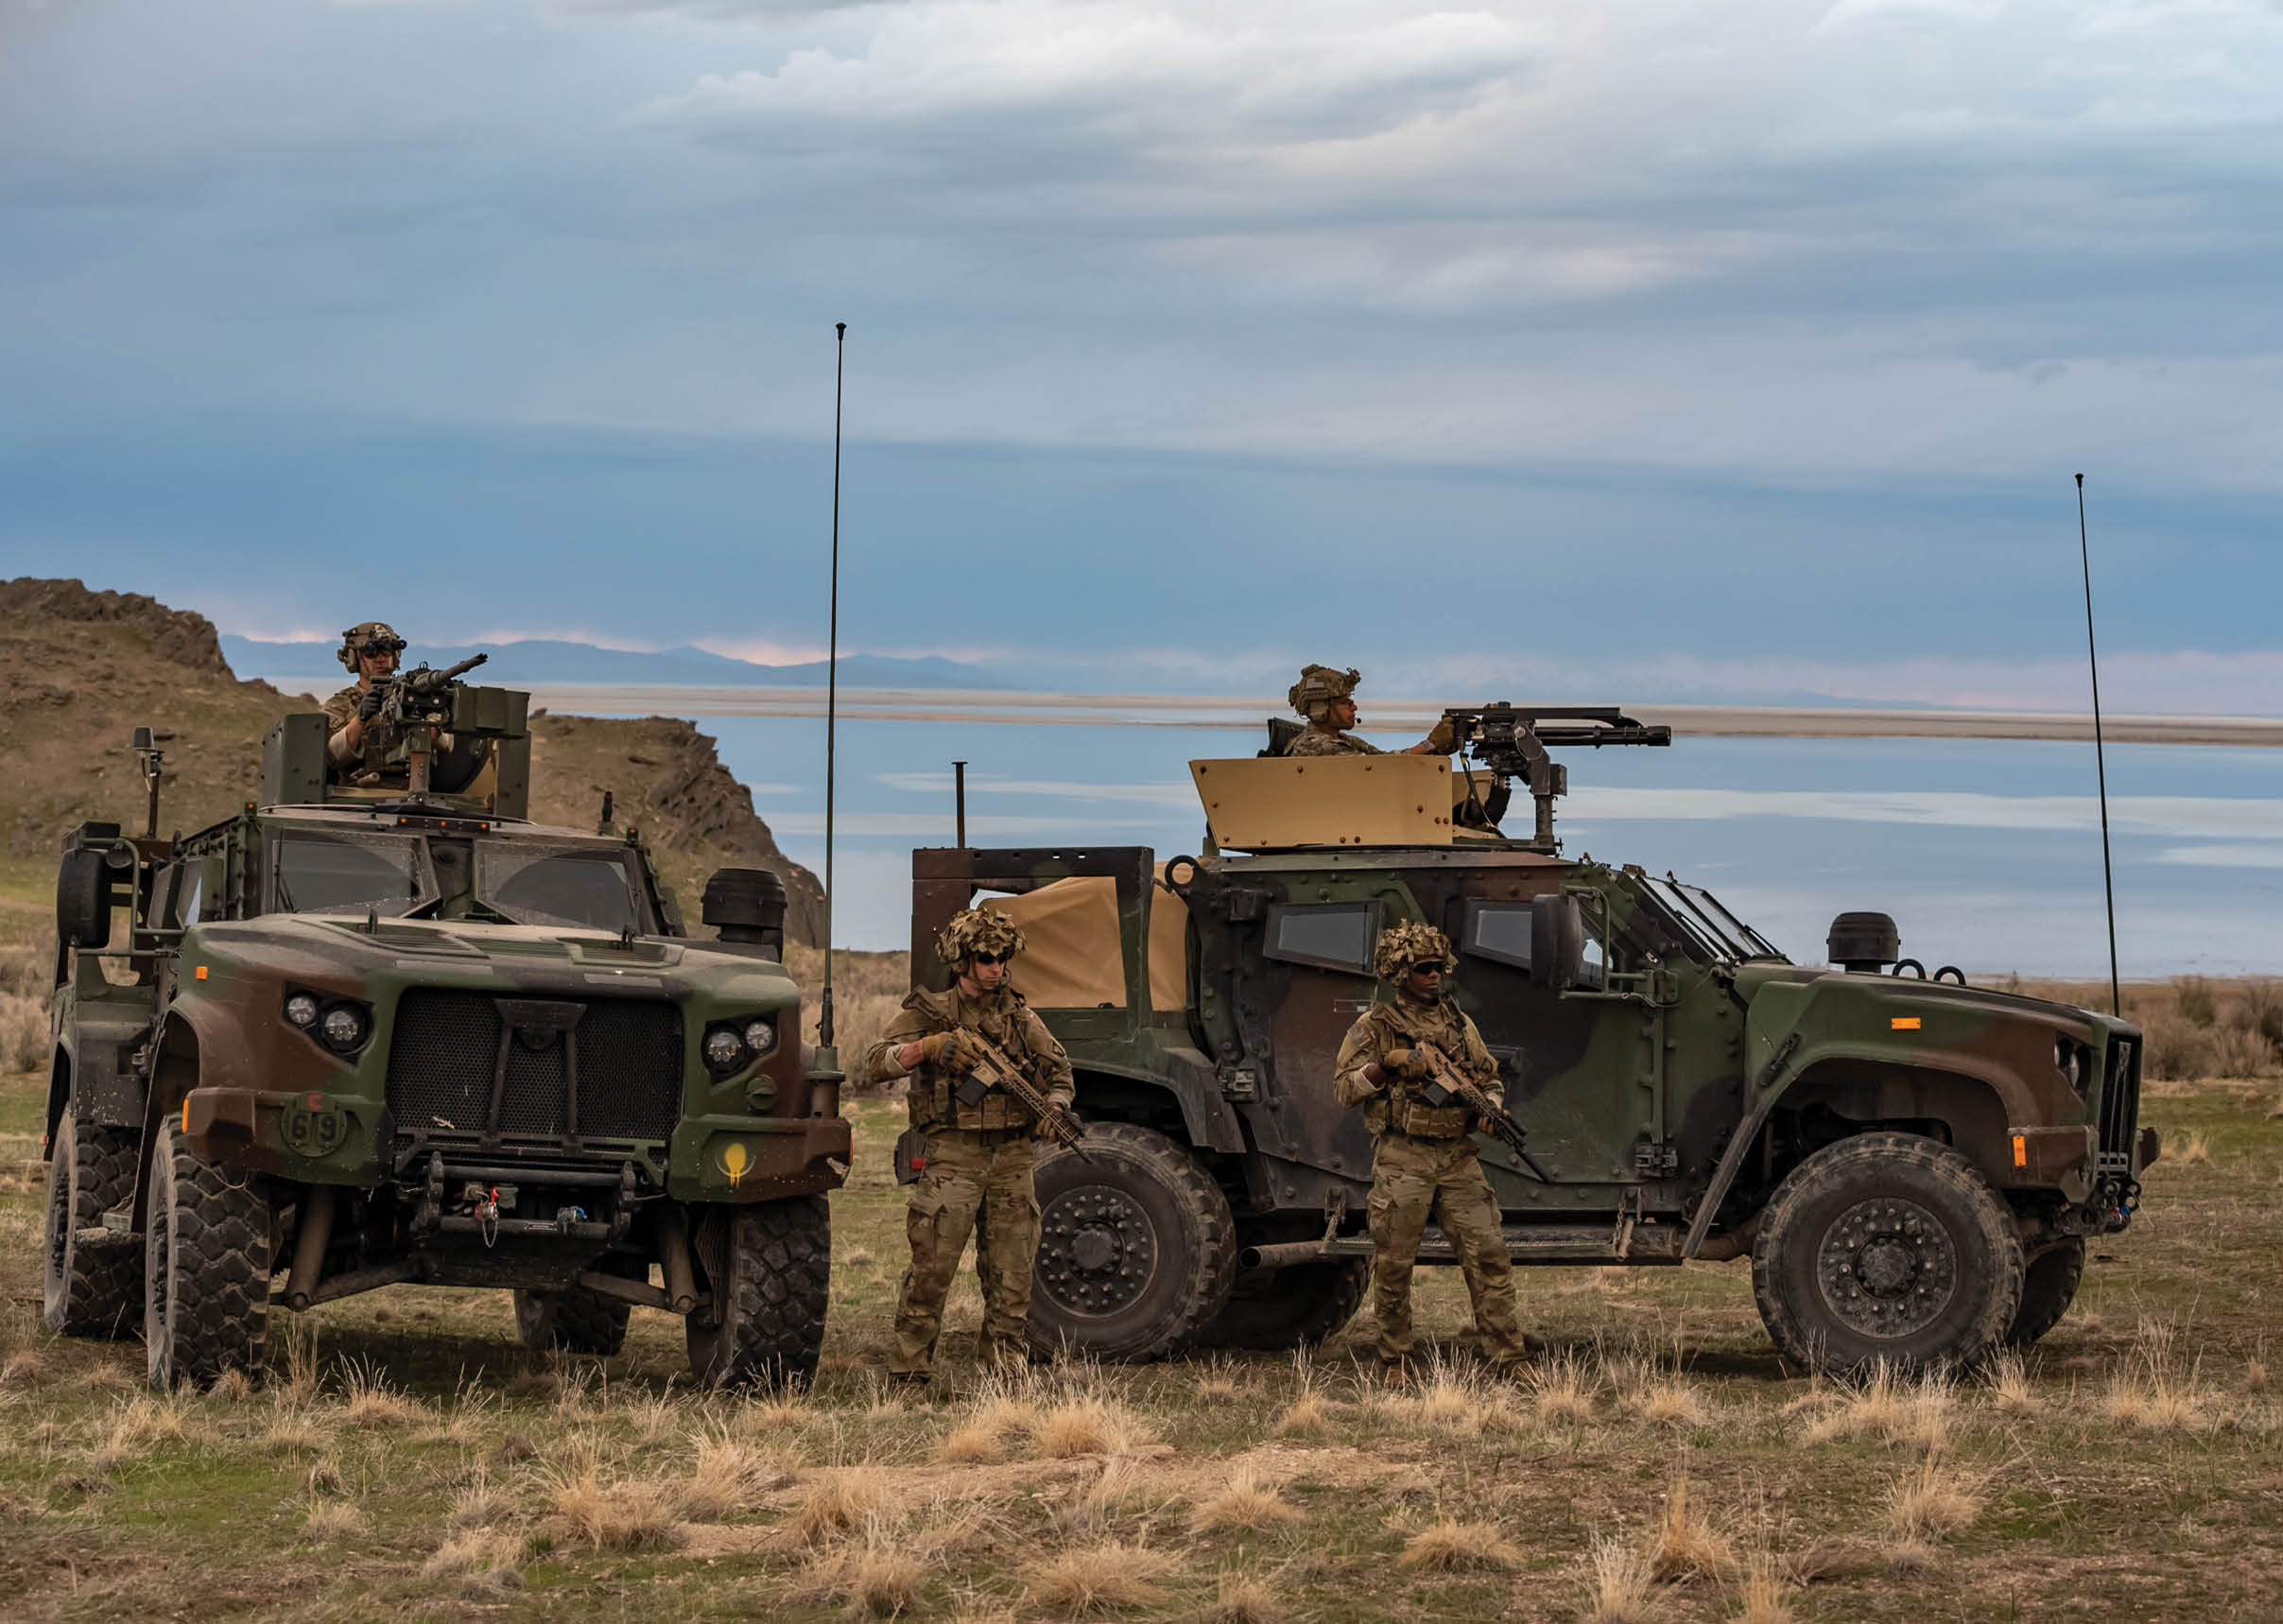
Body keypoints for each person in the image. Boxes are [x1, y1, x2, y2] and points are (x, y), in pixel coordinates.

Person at [866, 908, 1078, 1391]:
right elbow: (875, 1061)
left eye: (1002, 958)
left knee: (1013, 1274)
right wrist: (928, 1048)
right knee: (932, 1270)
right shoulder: (928, 1012)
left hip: (1011, 1159)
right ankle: (909, 1374)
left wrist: (1055, 1107)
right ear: (962, 960)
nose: (996, 968)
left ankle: (1005, 1375)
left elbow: (1060, 1073)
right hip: (952, 1157)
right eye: (985, 958)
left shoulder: (1021, 1018)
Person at [1333, 920, 1531, 1375]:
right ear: (1401, 973)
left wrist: (1490, 1110)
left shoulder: (1460, 1024)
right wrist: (1387, 1064)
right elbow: (1344, 1090)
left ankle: (1507, 1354)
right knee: (1395, 1263)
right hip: (1403, 1158)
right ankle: (1395, 1358)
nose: (1434, 975)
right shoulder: (1375, 1026)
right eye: (1424, 968)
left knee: (1489, 1255)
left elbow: (1489, 1079)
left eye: (1440, 967)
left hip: (1458, 1157)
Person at [1285, 664, 1456, 757]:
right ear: (1320, 708)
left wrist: (1436, 749)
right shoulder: (1315, 745)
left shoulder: (1347, 741)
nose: (1354, 707)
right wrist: (1428, 744)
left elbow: (1385, 759)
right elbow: (1376, 772)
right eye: (1345, 703)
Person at [321, 621, 406, 778]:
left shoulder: (408, 697)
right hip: (356, 795)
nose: (380, 659)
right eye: (371, 652)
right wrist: (360, 719)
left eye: (386, 650)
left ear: (395, 656)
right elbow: (330, 757)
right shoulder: (339, 705)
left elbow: (445, 745)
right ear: (355, 658)